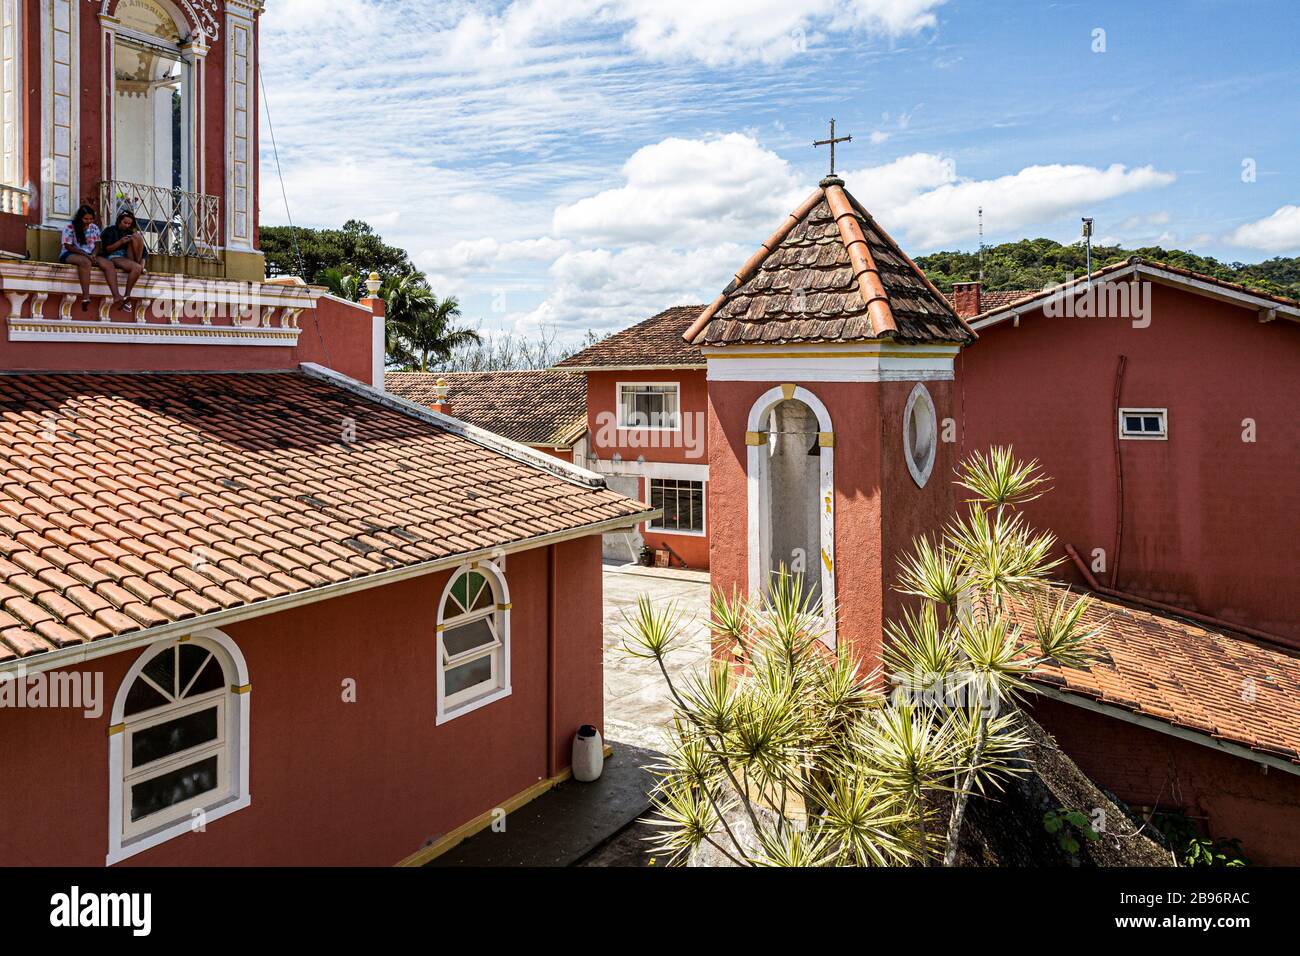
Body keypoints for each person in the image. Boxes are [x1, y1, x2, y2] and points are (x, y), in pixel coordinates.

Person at [59, 206, 125, 313]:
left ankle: (116, 295)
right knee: (85, 262)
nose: (88, 221)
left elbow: (98, 244)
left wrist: (94, 254)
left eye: (91, 219)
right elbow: (67, 246)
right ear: (80, 218)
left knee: (108, 264)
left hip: (90, 254)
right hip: (70, 253)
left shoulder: (94, 227)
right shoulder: (69, 227)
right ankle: (86, 296)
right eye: (86, 219)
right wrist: (85, 255)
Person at [100, 209, 148, 311]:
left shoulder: (130, 232)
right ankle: (127, 296)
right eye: (124, 223)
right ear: (119, 221)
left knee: (137, 236)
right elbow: (106, 249)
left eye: (129, 224)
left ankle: (126, 295)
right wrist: (121, 242)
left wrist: (142, 265)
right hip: (114, 256)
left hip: (129, 257)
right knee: (136, 268)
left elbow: (144, 253)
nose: (126, 225)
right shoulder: (110, 230)